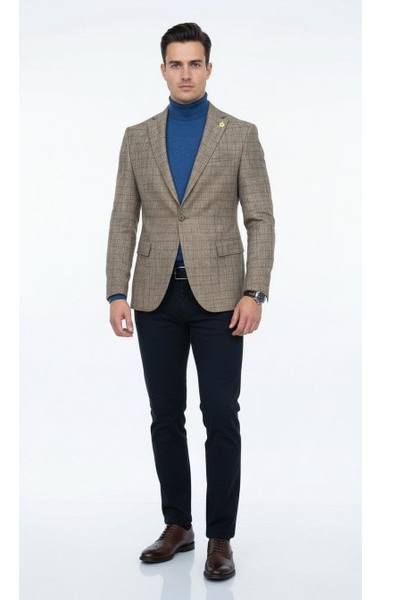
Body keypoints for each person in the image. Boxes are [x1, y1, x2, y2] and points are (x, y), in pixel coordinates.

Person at [106, 22, 275, 581]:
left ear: (208, 68)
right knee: (164, 416)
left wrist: (254, 290)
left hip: (221, 297)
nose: (185, 74)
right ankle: (178, 525)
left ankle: (220, 537)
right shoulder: (137, 137)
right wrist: (116, 291)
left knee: (221, 415)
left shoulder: (240, 134)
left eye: (194, 63)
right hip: (154, 296)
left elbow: (260, 218)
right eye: (175, 64)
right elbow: (123, 219)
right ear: (163, 70)